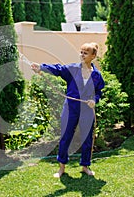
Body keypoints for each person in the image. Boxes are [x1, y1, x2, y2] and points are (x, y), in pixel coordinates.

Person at [31, 42, 105, 177]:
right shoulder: (73, 69)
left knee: (87, 138)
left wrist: (94, 100)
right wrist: (41, 67)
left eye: (85, 53)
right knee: (66, 136)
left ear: (93, 56)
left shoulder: (97, 75)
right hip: (70, 108)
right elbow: (58, 69)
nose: (82, 55)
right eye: (81, 52)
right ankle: (61, 168)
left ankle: (85, 166)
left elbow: (99, 92)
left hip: (87, 110)